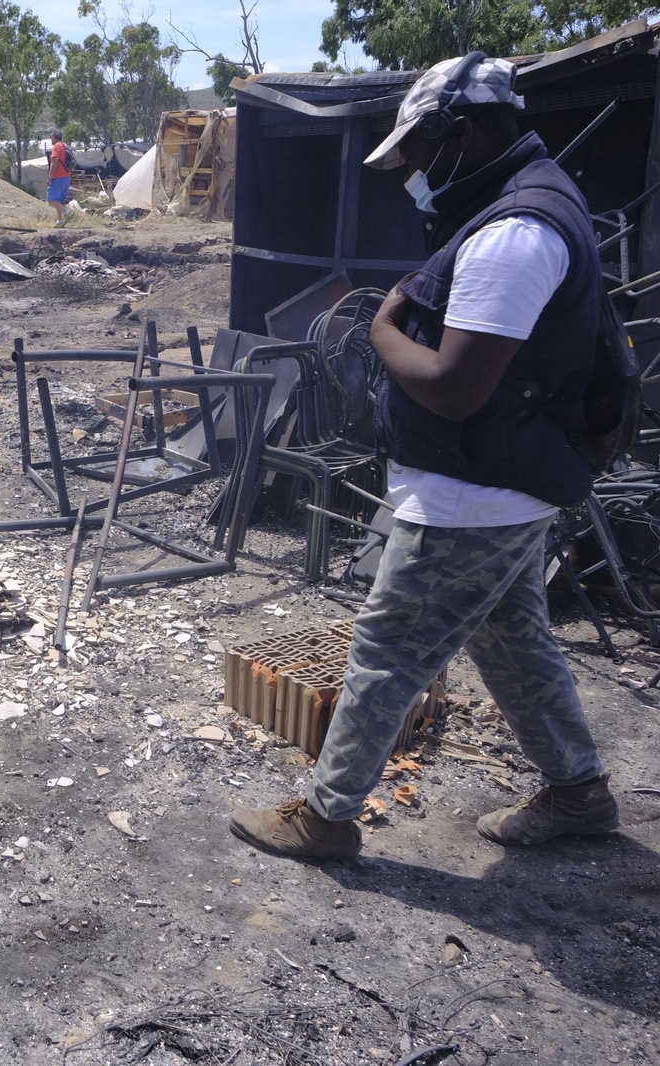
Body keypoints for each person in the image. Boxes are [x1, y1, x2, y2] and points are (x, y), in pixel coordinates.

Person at [229, 52, 619, 860]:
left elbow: (452, 389)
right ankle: (578, 791)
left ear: (463, 133)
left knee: (384, 649)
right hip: (500, 482)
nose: (410, 171)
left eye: (417, 152)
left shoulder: (515, 233)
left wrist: (379, 328)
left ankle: (325, 817)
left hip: (475, 494)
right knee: (513, 640)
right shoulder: (515, 208)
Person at [46, 129, 71, 227]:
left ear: (55, 137)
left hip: (58, 177)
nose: (50, 139)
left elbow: (54, 162)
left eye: (51, 137)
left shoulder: (56, 146)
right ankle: (59, 221)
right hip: (66, 177)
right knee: (59, 200)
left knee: (51, 199)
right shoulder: (65, 145)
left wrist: (49, 176)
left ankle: (68, 213)